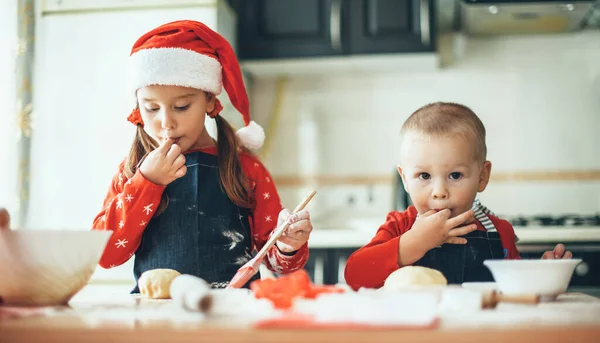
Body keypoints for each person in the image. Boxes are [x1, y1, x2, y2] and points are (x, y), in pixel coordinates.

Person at [92, 20, 313, 291]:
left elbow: (278, 264)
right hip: (159, 323)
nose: (166, 123)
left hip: (233, 320)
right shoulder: (131, 173)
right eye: (151, 108)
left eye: (182, 106)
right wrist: (147, 183)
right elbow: (105, 255)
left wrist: (287, 245)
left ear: (210, 100)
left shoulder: (245, 169)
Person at [344, 102, 572, 290]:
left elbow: (513, 290)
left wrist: (543, 275)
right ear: (405, 179)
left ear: (482, 176)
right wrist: (416, 241)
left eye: (455, 175)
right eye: (424, 175)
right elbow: (354, 275)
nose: (440, 191)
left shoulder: (499, 232)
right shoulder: (399, 226)